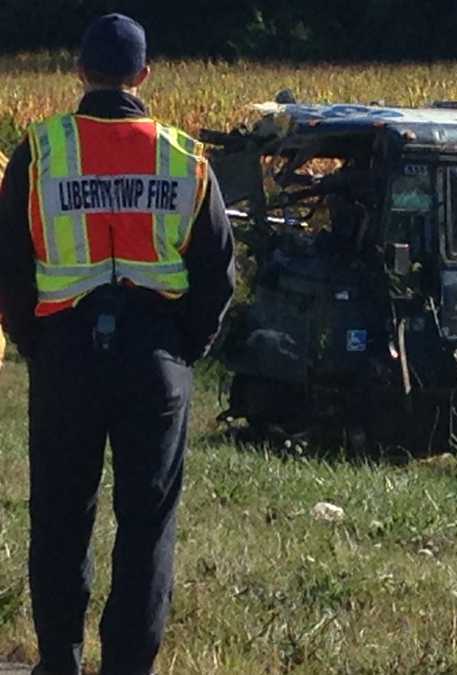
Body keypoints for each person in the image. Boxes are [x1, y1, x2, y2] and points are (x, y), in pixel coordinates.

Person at [0, 14, 234, 675]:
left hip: (66, 350)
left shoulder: (40, 151)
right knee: (146, 522)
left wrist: (33, 341)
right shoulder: (184, 158)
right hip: (155, 355)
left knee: (59, 514)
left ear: (79, 71)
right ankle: (128, 665)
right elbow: (219, 270)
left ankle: (60, 659)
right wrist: (183, 347)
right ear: (145, 76)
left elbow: (9, 263)